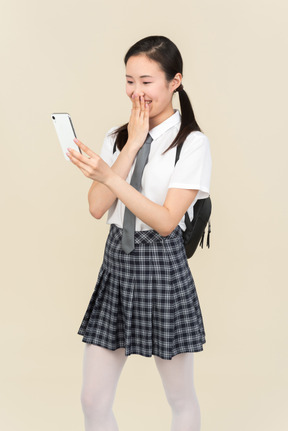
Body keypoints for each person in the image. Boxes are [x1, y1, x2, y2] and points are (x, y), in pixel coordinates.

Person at [67, 35, 212, 431]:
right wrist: (130, 146)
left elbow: (166, 222)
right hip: (116, 261)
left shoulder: (192, 144)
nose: (137, 91)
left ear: (174, 81)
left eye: (147, 81)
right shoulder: (118, 137)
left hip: (162, 264)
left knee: (180, 398)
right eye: (129, 80)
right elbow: (97, 208)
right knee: (92, 399)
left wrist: (110, 177)